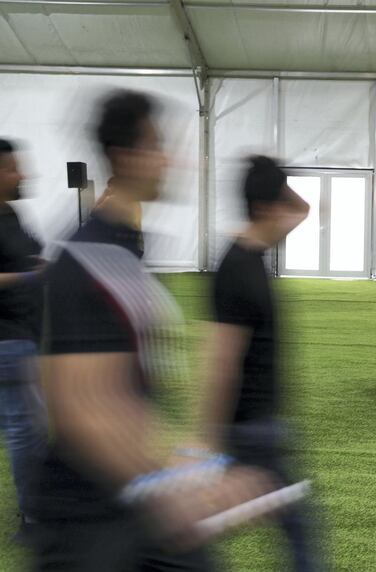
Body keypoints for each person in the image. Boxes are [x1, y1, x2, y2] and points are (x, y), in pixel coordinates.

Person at [30, 90, 270, 571]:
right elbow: (81, 405)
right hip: (86, 520)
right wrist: (168, 486)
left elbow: (127, 395)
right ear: (126, 157)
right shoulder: (88, 257)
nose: (170, 159)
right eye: (158, 146)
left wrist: (188, 469)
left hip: (129, 505)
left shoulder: (126, 247)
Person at [196, 155, 327, 571]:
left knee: (232, 519)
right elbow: (221, 359)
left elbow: (302, 209)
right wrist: (207, 440)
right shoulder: (236, 271)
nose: (288, 215)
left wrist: (271, 174)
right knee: (300, 527)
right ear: (265, 209)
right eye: (277, 203)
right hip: (251, 428)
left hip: (262, 423)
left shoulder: (253, 254)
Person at [0, 138, 48, 543]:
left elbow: (31, 256)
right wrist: (31, 277)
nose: (22, 174)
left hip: (26, 337)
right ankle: (33, 521)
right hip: (8, 342)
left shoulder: (11, 215)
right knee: (25, 429)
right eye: (13, 168)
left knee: (26, 425)